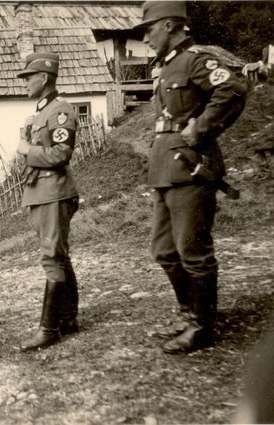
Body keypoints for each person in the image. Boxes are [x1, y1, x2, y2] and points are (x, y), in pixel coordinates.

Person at [133, 1, 247, 353]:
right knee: (164, 250)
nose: (147, 37)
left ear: (169, 25)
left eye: (149, 29)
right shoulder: (167, 66)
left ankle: (202, 326)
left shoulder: (196, 59)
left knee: (193, 251)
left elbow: (233, 89)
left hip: (191, 166)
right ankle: (187, 313)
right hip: (166, 169)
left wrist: (201, 127)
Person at [15, 52, 81, 352]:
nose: (26, 82)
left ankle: (49, 328)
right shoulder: (40, 113)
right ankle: (68, 319)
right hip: (41, 192)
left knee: (52, 257)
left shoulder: (61, 109)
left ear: (44, 78)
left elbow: (60, 154)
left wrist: (26, 149)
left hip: (53, 192)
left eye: (29, 77)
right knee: (59, 255)